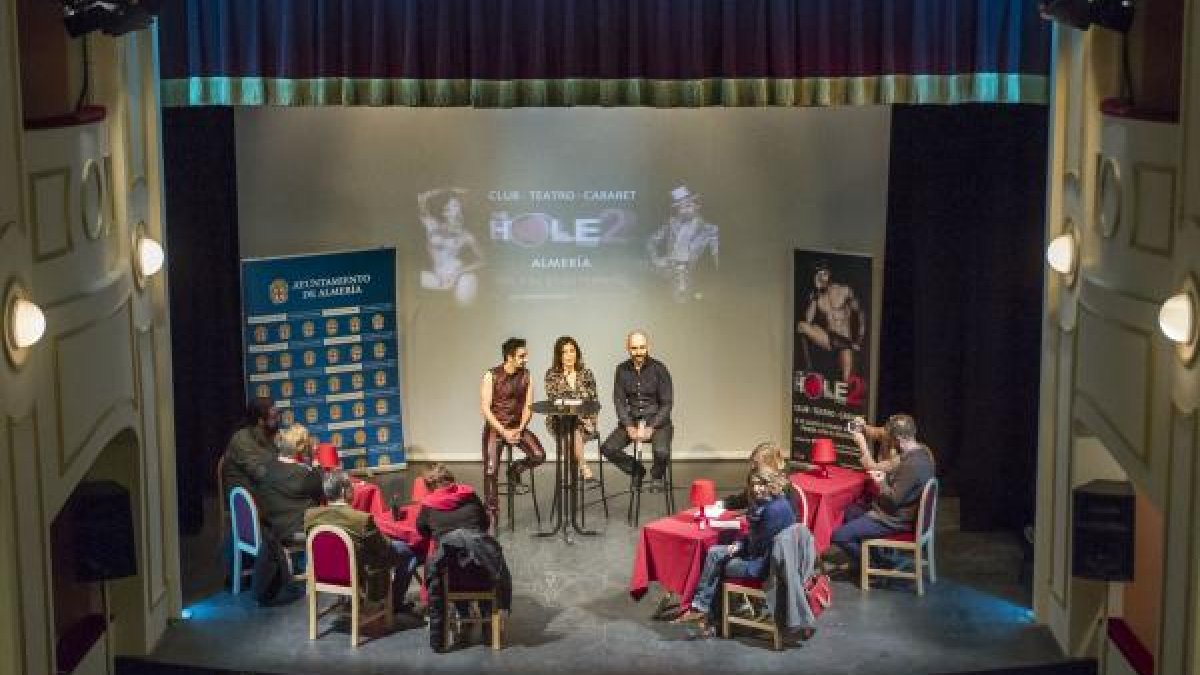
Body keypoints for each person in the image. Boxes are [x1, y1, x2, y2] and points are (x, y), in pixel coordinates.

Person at [676, 469, 797, 638]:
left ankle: (712, 621)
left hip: (764, 566)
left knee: (720, 566)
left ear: (771, 484)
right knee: (714, 553)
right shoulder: (777, 502)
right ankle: (700, 608)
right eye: (753, 484)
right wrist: (740, 543)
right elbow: (759, 538)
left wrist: (743, 543)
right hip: (765, 556)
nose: (756, 489)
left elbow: (758, 546)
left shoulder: (772, 510)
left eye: (761, 484)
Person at [415, 464, 512, 653]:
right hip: (482, 571)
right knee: (475, 554)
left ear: (431, 485)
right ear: (452, 480)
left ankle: (463, 612)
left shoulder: (428, 506)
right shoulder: (470, 496)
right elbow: (484, 524)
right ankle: (486, 616)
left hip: (450, 578)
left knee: (448, 559)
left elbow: (422, 530)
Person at [828, 413, 936, 573]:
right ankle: (878, 559)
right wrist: (863, 427)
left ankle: (872, 567)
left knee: (838, 536)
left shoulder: (911, 465)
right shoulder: (922, 453)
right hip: (900, 513)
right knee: (851, 511)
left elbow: (892, 500)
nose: (889, 442)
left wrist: (880, 482)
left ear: (898, 439)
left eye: (891, 438)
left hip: (893, 519)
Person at [304, 471, 420, 613]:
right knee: (409, 553)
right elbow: (382, 548)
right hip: (358, 570)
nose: (354, 490)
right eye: (352, 487)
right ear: (344, 491)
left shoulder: (310, 516)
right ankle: (395, 604)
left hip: (326, 571)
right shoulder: (360, 519)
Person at [223, 398, 322, 540]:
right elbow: (263, 474)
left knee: (310, 492)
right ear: (260, 421)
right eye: (274, 418)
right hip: (253, 503)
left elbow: (279, 467)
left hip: (269, 494)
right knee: (306, 494)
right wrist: (299, 474)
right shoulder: (241, 440)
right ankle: (301, 537)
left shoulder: (269, 436)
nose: (279, 421)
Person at [480, 337, 547, 526]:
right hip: (496, 428)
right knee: (491, 470)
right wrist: (503, 430)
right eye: (521, 356)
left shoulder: (527, 375)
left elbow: (528, 406)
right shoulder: (491, 375)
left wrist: (520, 428)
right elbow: (485, 408)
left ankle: (514, 471)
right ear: (509, 357)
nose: (526, 359)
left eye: (526, 355)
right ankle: (492, 512)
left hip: (517, 427)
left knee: (539, 455)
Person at [599, 330, 673, 490]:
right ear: (627, 347)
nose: (638, 352)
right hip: (632, 420)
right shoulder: (622, 369)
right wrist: (629, 426)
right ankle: (637, 471)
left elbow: (667, 403)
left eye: (642, 347)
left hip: (657, 421)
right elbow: (618, 400)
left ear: (648, 347)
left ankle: (657, 476)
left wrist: (651, 427)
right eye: (634, 348)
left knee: (661, 452)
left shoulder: (659, 369)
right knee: (607, 449)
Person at [796, 260, 866, 383]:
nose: (821, 278)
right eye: (818, 275)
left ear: (829, 274)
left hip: (846, 341)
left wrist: (859, 338)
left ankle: (848, 346)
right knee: (801, 326)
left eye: (823, 274)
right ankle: (809, 367)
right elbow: (807, 321)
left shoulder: (843, 290)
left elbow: (861, 313)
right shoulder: (816, 297)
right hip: (830, 340)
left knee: (846, 381)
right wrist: (815, 295)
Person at [543, 335, 600, 485]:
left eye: (572, 351)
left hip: (585, 421)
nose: (569, 355)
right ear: (559, 356)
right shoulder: (552, 375)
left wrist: (591, 421)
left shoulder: (586, 374)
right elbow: (555, 402)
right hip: (560, 420)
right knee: (570, 429)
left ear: (577, 353)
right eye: (564, 352)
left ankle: (569, 472)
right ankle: (583, 467)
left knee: (573, 431)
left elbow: (594, 401)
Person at [647, 185, 719, 302]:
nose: (684, 209)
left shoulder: (710, 230)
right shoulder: (671, 225)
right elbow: (651, 241)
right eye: (681, 207)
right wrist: (656, 259)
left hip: (697, 279)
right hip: (670, 273)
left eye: (688, 205)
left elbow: (716, 261)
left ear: (697, 206)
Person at [417, 188, 484, 305]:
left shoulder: (466, 235)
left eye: (453, 205)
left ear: (460, 211)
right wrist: (448, 189)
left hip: (455, 278)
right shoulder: (433, 225)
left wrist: (458, 272)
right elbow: (422, 199)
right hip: (434, 278)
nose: (448, 205)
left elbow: (482, 260)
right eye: (447, 204)